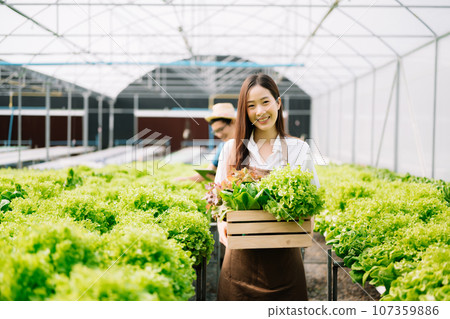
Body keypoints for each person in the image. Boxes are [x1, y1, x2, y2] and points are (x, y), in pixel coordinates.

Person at [215, 73, 319, 301]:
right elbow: (218, 200)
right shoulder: (232, 148)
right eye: (251, 105)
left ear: (278, 103)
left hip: (285, 264)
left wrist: (307, 221)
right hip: (240, 264)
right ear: (245, 111)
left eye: (265, 102)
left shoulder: (298, 149)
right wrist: (221, 222)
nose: (260, 111)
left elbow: (313, 198)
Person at [175, 103, 236, 182]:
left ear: (233, 122)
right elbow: (208, 171)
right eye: (215, 132)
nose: (219, 135)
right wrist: (186, 179)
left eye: (220, 129)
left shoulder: (249, 142)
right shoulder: (222, 147)